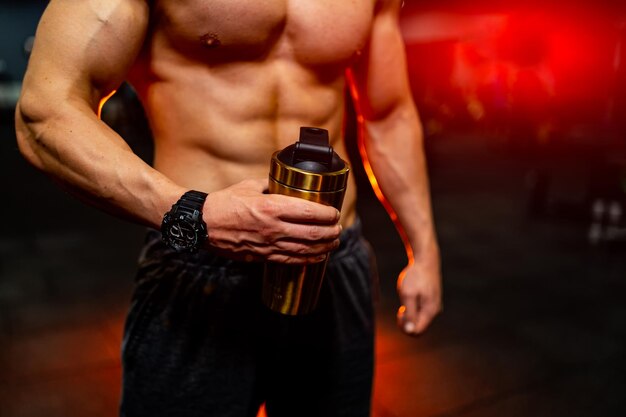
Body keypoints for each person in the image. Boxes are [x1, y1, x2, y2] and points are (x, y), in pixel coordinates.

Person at [15, 0, 442, 416]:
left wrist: (424, 252)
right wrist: (191, 214)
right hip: (200, 260)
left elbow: (388, 114)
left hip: (331, 261)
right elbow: (47, 113)